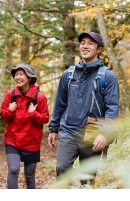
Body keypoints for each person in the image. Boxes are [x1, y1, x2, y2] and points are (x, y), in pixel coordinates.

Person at [48, 32, 119, 187]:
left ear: (99, 49)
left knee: (87, 179)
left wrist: (105, 134)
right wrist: (53, 129)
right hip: (68, 130)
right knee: (62, 169)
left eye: (90, 43)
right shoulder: (68, 74)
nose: (85, 46)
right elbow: (59, 104)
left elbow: (112, 109)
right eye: (82, 43)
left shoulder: (107, 77)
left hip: (93, 132)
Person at [0, 63, 49, 189]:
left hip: (31, 142)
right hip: (12, 140)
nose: (18, 77)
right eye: (16, 74)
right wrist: (10, 111)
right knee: (13, 170)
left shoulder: (39, 97)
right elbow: (3, 116)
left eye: (21, 74)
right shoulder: (10, 95)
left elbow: (45, 118)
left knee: (29, 176)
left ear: (29, 77)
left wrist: (33, 114)